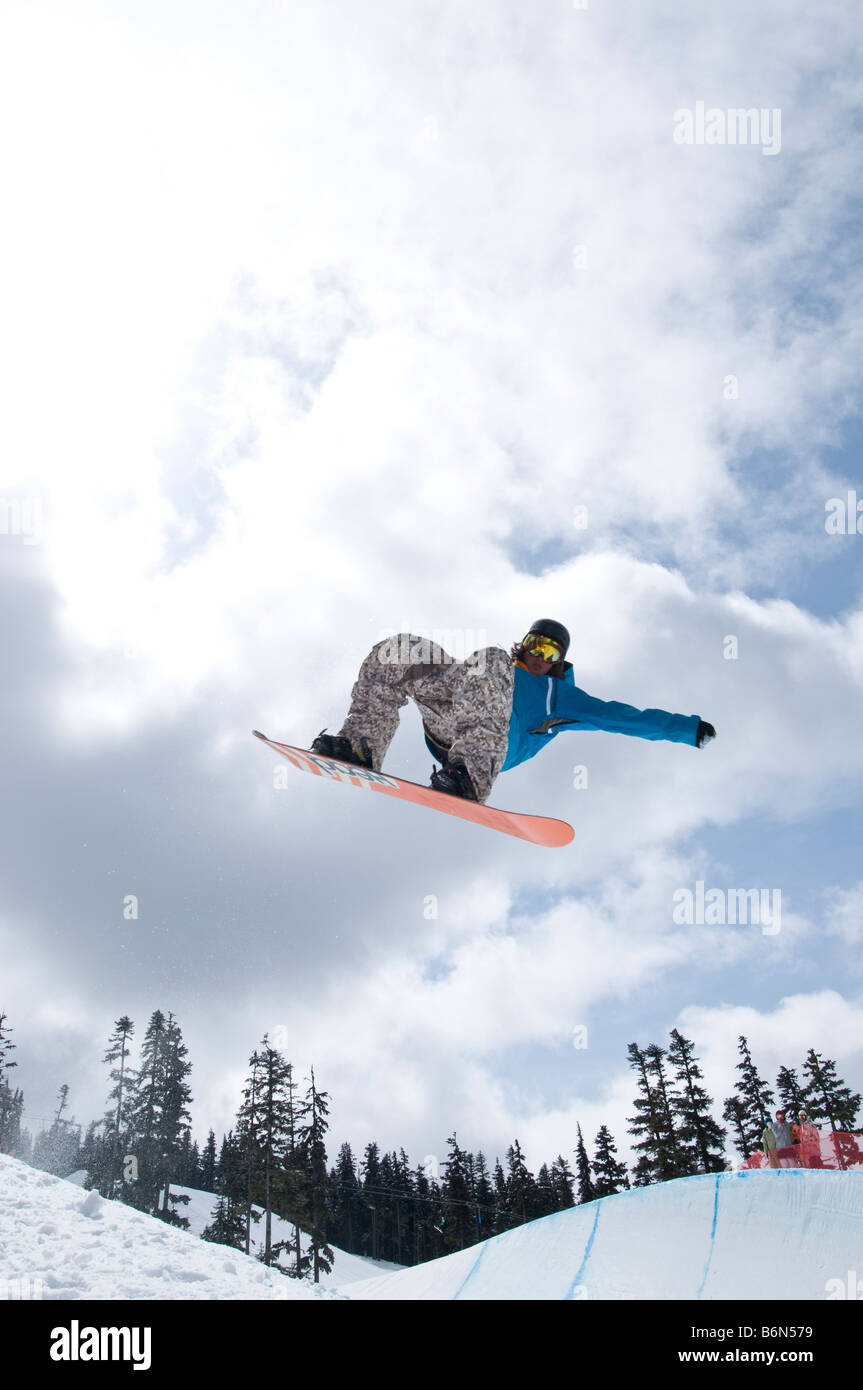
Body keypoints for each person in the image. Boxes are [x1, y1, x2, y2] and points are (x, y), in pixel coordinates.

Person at [312, 619, 717, 804]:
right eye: (534, 644)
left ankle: (470, 776)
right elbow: (479, 671)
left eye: (549, 652)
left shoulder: (560, 697)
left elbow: (625, 717)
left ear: (559, 661)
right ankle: (359, 744)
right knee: (400, 647)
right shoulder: (498, 668)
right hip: (450, 721)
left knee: (488, 658)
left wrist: (688, 729)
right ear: (523, 644)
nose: (539, 656)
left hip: (490, 747)